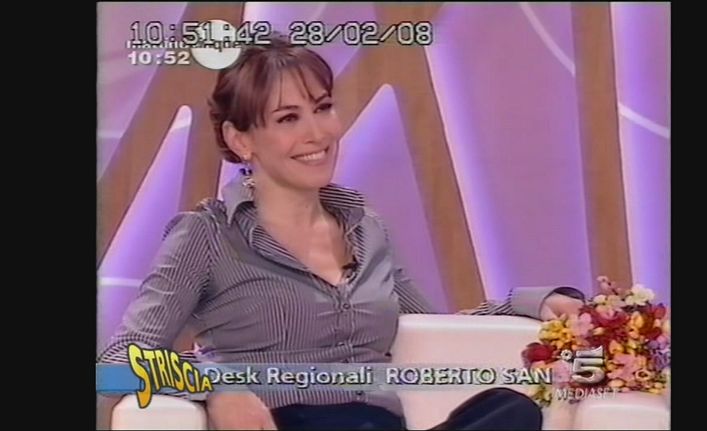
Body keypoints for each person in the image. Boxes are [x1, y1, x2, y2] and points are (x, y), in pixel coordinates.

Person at [97, 34, 585, 430]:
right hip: (292, 421)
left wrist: (527, 304)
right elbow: (114, 366)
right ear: (240, 139)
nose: (318, 133)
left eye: (323, 107)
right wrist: (214, 386)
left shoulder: (365, 229)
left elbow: (434, 326)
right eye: (288, 118)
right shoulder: (206, 236)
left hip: (379, 423)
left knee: (510, 409)